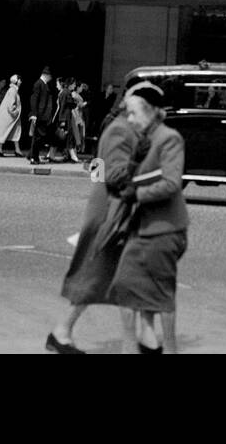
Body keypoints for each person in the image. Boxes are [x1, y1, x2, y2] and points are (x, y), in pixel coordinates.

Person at [48, 99, 146, 354]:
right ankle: (130, 345)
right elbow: (114, 175)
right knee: (103, 276)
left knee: (106, 277)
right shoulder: (120, 130)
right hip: (111, 213)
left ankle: (64, 333)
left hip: (116, 212)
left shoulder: (126, 129)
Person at [108, 82, 188, 354]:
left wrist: (136, 193)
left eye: (133, 113)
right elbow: (131, 176)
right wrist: (130, 171)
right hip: (143, 228)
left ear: (152, 111)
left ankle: (169, 349)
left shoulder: (169, 138)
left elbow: (171, 183)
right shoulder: (144, 141)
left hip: (165, 229)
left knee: (162, 294)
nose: (129, 119)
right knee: (125, 285)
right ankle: (133, 346)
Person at [28, 66, 57, 163]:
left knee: (38, 137)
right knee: (38, 137)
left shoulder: (43, 84)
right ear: (46, 75)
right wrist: (34, 114)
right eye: (50, 76)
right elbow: (34, 99)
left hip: (43, 115)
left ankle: (32, 156)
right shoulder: (39, 84)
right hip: (40, 115)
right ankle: (33, 157)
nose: (51, 78)